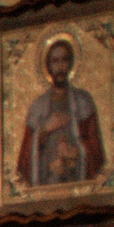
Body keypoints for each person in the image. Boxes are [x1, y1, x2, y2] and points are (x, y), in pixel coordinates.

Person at [19, 35, 104, 187]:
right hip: (47, 184)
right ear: (48, 66)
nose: (60, 67)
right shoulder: (38, 107)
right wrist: (45, 130)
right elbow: (24, 160)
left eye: (64, 60)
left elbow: (96, 151)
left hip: (76, 183)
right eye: (55, 61)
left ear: (70, 63)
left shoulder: (83, 102)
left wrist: (76, 152)